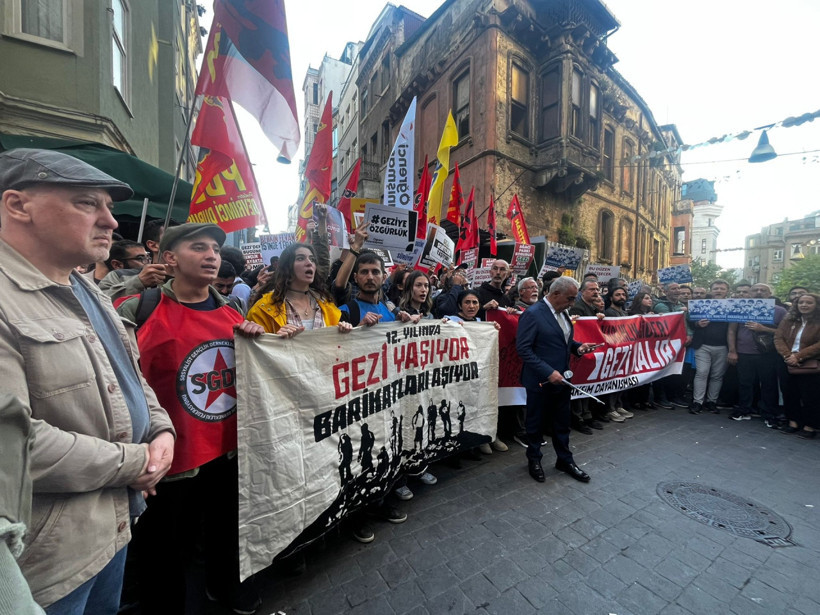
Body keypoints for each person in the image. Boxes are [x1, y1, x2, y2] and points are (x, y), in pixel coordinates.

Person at [0, 148, 175, 613]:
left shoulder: (82, 288)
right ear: (18, 206)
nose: (111, 222)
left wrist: (160, 430)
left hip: (112, 529)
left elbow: (128, 375)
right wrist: (137, 461)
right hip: (47, 562)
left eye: (109, 208)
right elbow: (19, 445)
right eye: (86, 203)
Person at [117, 223, 265, 614]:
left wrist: (258, 340)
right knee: (165, 553)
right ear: (169, 258)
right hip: (168, 460)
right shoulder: (138, 308)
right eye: (198, 247)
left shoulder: (232, 308)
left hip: (227, 451)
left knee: (223, 534)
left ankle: (226, 593)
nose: (212, 255)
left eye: (215, 248)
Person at [516, 276, 598, 483]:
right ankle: (534, 459)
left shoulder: (564, 312)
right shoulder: (533, 314)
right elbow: (523, 349)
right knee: (535, 423)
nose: (572, 303)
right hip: (540, 381)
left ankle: (565, 460)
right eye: (570, 299)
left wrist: (577, 347)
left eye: (574, 299)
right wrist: (547, 372)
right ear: (555, 294)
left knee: (562, 422)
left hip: (563, 380)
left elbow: (562, 340)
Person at [246, 242, 352, 337]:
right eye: (300, 258)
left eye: (312, 259)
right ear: (287, 267)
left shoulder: (327, 305)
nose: (309, 263)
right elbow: (255, 351)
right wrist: (275, 341)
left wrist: (347, 331)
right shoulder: (263, 308)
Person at [727, 283, 787, 424]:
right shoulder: (739, 308)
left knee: (768, 384)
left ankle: (768, 413)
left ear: (769, 293)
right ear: (750, 293)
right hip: (744, 353)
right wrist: (732, 351)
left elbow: (785, 333)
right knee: (744, 383)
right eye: (755, 290)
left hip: (768, 353)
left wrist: (764, 328)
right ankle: (744, 409)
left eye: (763, 290)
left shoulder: (780, 311)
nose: (759, 292)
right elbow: (731, 331)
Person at [774, 293, 820, 439]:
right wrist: (788, 356)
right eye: (801, 302)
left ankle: (809, 426)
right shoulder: (788, 319)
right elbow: (778, 337)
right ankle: (793, 422)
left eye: (809, 303)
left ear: (816, 305)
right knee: (789, 394)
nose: (804, 305)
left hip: (809, 363)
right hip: (787, 361)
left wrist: (798, 356)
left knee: (810, 396)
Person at [688, 280, 731, 415]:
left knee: (717, 375)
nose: (718, 291)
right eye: (716, 288)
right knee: (702, 373)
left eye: (722, 289)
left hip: (723, 346)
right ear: (711, 290)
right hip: (703, 345)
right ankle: (697, 402)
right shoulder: (699, 304)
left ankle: (711, 402)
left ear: (727, 291)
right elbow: (690, 320)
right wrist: (697, 324)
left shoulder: (732, 305)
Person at [97, 239, 167, 300]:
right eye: (140, 258)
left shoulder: (157, 276)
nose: (147, 263)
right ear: (117, 264)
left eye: (148, 258)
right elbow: (103, 301)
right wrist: (138, 282)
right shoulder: (114, 277)